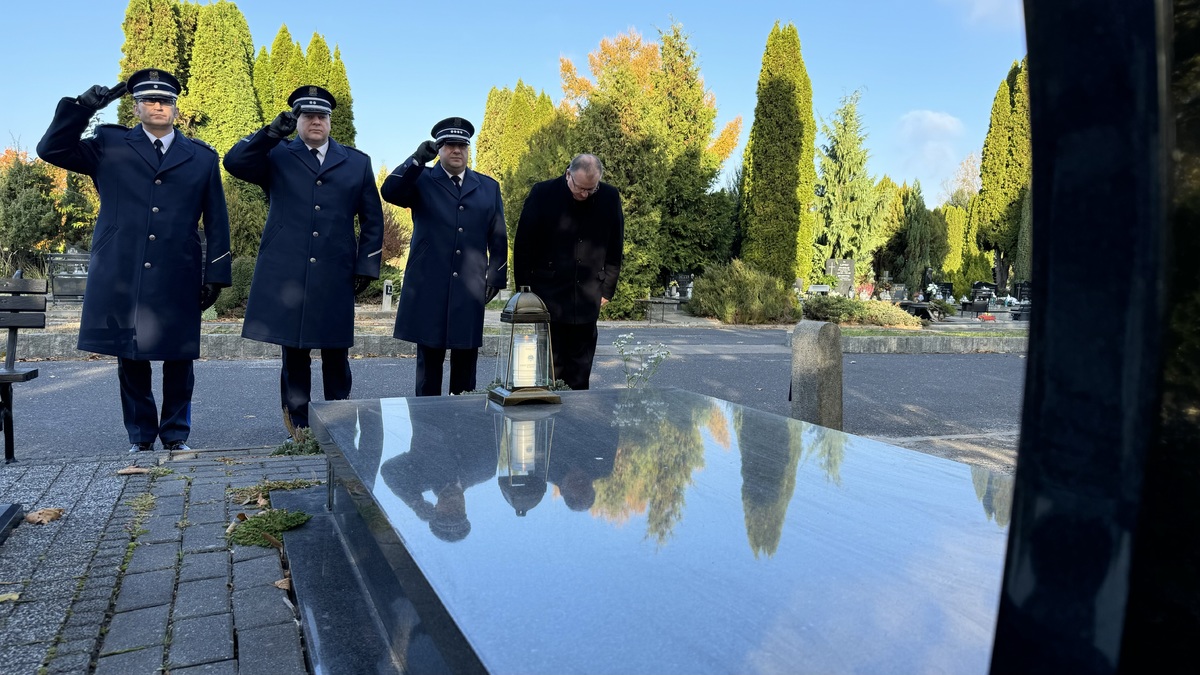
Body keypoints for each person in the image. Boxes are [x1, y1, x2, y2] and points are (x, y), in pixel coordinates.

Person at [36, 68, 231, 453]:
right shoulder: (108, 144)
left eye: (165, 101)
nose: (157, 106)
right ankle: (141, 437)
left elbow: (217, 220)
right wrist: (81, 109)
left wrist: (217, 273)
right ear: (136, 106)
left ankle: (176, 436)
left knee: (180, 357)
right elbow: (51, 150)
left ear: (175, 108)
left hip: (179, 268)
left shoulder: (202, 157)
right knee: (131, 357)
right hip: (123, 268)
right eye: (148, 100)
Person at [224, 85, 384, 438]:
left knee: (336, 351)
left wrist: (366, 265)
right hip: (289, 272)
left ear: (330, 121)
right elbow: (234, 162)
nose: (315, 121)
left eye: (321, 115)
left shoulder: (357, 162)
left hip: (335, 269)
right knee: (294, 353)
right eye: (307, 115)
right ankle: (298, 427)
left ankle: (339, 420)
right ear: (296, 120)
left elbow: (372, 218)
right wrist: (270, 133)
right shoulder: (277, 155)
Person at [381, 117, 507, 396]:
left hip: (469, 286)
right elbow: (389, 192)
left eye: (462, 145)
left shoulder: (488, 187)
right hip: (429, 284)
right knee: (429, 366)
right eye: (450, 145)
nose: (457, 150)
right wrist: (416, 160)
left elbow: (498, 236)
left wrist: (496, 276)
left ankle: (462, 427)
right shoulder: (422, 179)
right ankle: (427, 427)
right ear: (439, 148)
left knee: (466, 365)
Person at [512, 154, 624, 390]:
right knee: (549, 372)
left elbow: (615, 245)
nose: (584, 195)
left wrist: (607, 288)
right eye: (579, 188)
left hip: (588, 294)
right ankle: (550, 420)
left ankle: (576, 420)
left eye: (591, 190)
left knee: (580, 373)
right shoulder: (542, 193)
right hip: (547, 295)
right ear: (568, 174)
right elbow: (523, 244)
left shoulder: (610, 197)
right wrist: (524, 291)